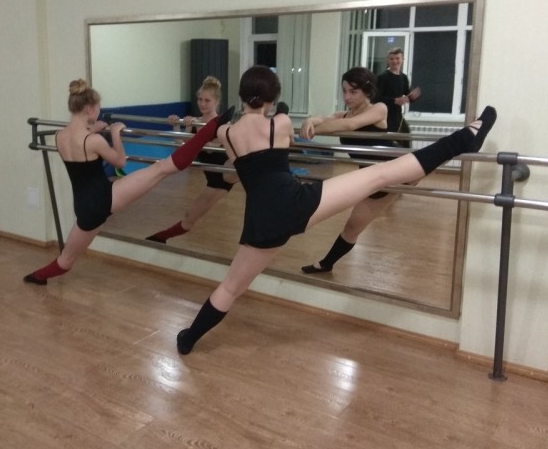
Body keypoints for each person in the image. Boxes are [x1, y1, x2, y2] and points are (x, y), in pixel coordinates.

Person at [176, 65, 496, 355]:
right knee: (380, 174)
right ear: (272, 99)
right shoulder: (281, 122)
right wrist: (297, 119)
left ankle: (188, 338)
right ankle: (464, 138)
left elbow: (224, 139)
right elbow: (290, 138)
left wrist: (219, 122)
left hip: (261, 220)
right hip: (298, 204)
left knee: (231, 287)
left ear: (242, 95)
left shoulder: (227, 134)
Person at [23, 78, 235, 285]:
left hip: (84, 207)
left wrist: (93, 129)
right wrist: (115, 133)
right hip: (104, 198)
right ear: (89, 109)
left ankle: (35, 277)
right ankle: (212, 127)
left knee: (66, 260)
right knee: (162, 168)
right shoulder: (93, 140)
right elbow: (120, 161)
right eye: (98, 108)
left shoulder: (60, 136)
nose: (98, 112)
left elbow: (80, 142)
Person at [298, 67, 411, 274]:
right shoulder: (344, 113)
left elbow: (349, 125)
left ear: (367, 91)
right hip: (371, 177)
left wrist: (306, 132)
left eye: (353, 91)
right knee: (352, 227)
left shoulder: (379, 109)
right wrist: (308, 122)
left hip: (393, 171)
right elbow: (323, 119)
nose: (346, 97)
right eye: (344, 91)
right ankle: (326, 264)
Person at [145, 76, 238, 244]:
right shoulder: (195, 123)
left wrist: (199, 135)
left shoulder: (224, 124)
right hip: (214, 181)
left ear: (217, 102)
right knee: (189, 218)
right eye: (200, 99)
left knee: (241, 162)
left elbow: (214, 147)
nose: (202, 104)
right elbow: (181, 148)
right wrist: (177, 124)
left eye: (207, 100)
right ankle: (159, 238)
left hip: (227, 170)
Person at [376, 48, 421, 148]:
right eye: (391, 59)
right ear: (388, 60)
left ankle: (407, 158)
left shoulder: (403, 77)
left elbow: (407, 94)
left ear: (402, 59)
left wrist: (413, 96)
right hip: (385, 117)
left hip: (397, 116)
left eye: (397, 58)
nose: (394, 61)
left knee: (406, 138)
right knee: (390, 143)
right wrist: (394, 100)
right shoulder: (383, 77)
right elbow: (376, 98)